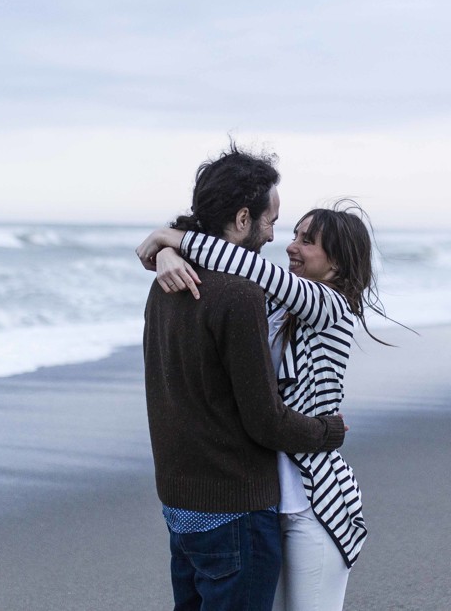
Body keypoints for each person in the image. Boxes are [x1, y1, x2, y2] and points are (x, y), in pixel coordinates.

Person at [138, 198, 391, 611]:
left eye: (308, 241)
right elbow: (227, 273)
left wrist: (171, 238)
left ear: (339, 264)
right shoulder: (276, 308)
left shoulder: (329, 307)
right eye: (293, 234)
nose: (291, 245)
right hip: (263, 497)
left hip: (315, 503)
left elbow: (250, 267)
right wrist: (168, 254)